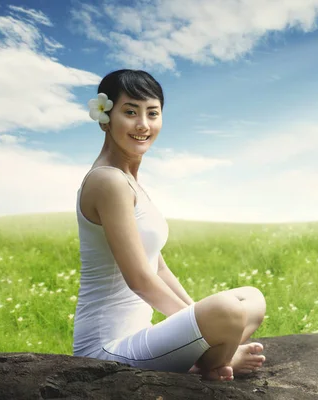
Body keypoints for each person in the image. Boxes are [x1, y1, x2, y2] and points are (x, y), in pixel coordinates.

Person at [72, 69, 266, 381]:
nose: (143, 125)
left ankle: (213, 355)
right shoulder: (107, 181)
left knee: (251, 298)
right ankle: (214, 359)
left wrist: (199, 319)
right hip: (106, 350)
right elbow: (139, 279)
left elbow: (158, 267)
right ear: (105, 118)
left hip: (142, 336)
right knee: (227, 311)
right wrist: (206, 325)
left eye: (152, 113)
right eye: (130, 112)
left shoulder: (130, 183)